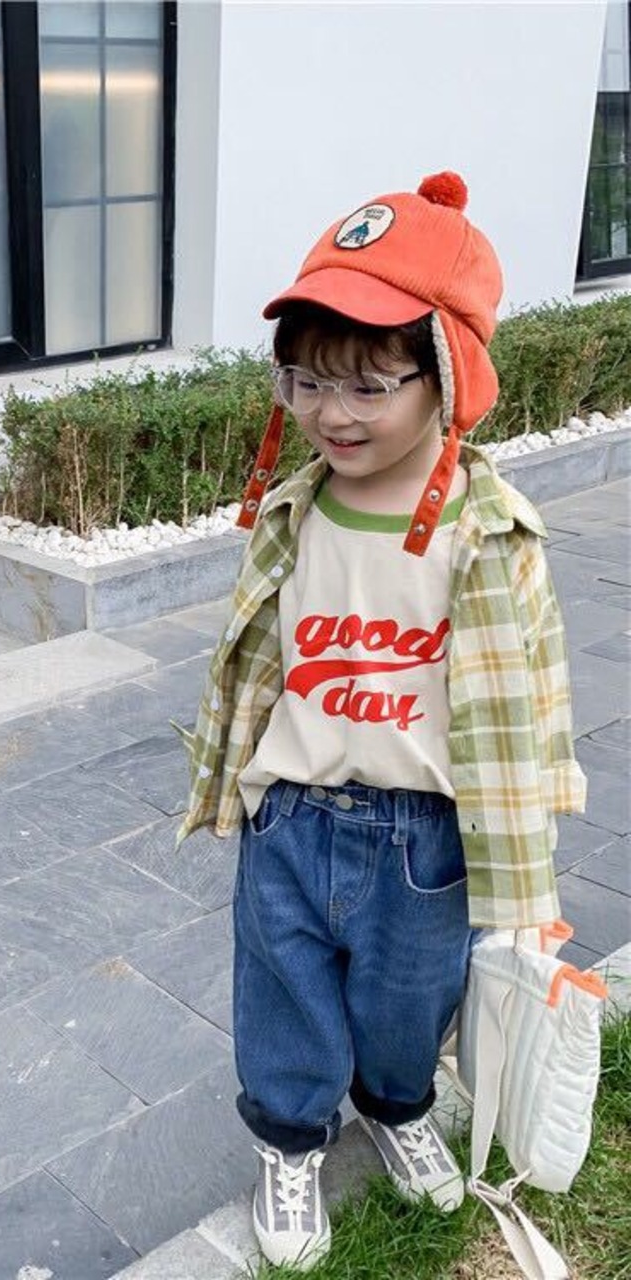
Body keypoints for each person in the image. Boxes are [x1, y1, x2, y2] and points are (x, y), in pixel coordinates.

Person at [172, 172, 588, 1271]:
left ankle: (396, 1105)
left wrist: (527, 882)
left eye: (367, 384)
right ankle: (288, 1139)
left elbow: (526, 706)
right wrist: (235, 779)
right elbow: (254, 660)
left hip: (425, 837)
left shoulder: (486, 533)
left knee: (411, 1003)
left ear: (447, 373)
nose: (332, 412)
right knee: (282, 993)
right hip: (294, 816)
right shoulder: (294, 509)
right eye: (307, 380)